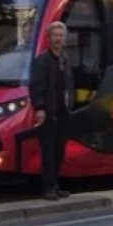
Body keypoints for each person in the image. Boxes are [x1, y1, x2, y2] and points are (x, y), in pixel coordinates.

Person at [30, 21, 75, 200]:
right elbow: (36, 86)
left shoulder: (65, 59)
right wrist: (40, 108)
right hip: (48, 113)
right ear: (49, 38)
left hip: (63, 112)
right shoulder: (42, 60)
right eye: (55, 35)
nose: (58, 39)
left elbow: (70, 84)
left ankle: (55, 185)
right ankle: (47, 187)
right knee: (48, 153)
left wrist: (70, 104)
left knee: (59, 152)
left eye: (61, 35)